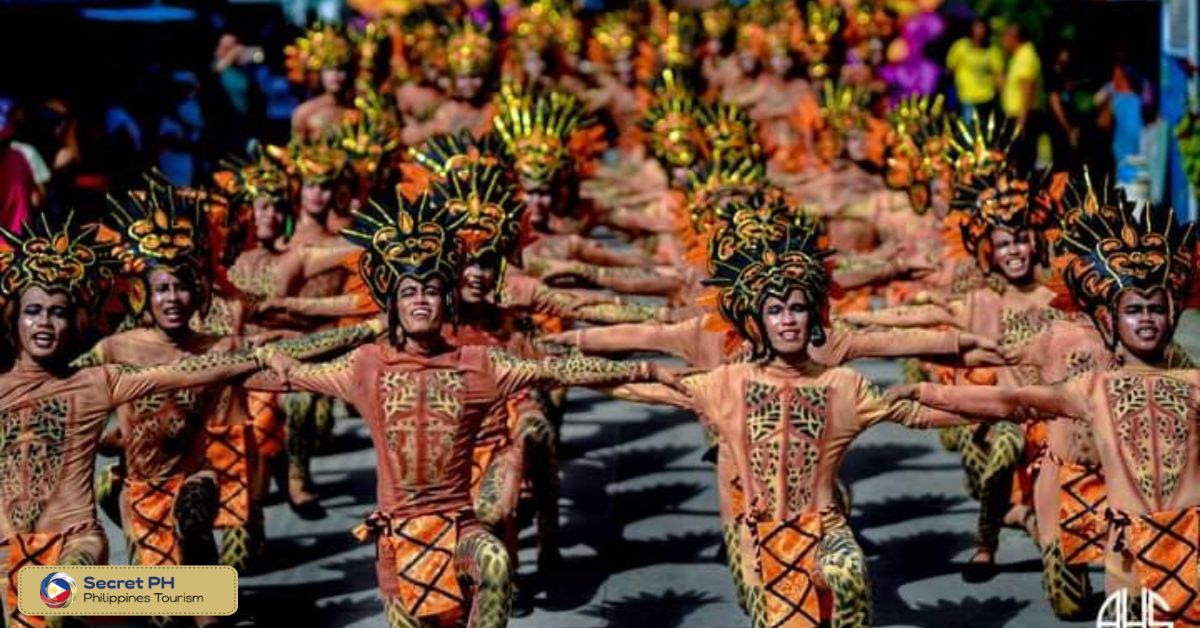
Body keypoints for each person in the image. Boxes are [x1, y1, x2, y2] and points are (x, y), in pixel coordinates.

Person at [247, 188, 681, 628]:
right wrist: (253, 356)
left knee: (496, 550)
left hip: (472, 498)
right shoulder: (368, 367)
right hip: (400, 537)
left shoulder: (482, 356)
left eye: (431, 291)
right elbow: (290, 364)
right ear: (393, 299)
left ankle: (546, 541)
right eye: (409, 292)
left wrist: (650, 359)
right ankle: (191, 598)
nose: (421, 300)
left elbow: (566, 366)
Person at [897, 198, 1200, 625]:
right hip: (1063, 464)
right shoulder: (1054, 334)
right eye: (1133, 308)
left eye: (1154, 307)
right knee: (1071, 603)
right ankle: (990, 539)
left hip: (1170, 518)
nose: (1145, 317)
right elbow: (1005, 390)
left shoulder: (1179, 367)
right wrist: (925, 397)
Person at [1000, 23, 1042, 169]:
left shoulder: (1026, 56)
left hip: (1022, 117)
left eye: (1005, 37)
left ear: (1014, 38)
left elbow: (1027, 89)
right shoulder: (1019, 55)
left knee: (1021, 162)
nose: (1003, 41)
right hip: (1018, 115)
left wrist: (1021, 122)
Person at [946, 18, 1003, 121]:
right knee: (968, 127)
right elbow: (950, 69)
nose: (979, 31)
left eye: (982, 28)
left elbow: (998, 73)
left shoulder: (992, 50)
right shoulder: (960, 46)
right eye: (977, 27)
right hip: (966, 95)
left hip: (986, 96)